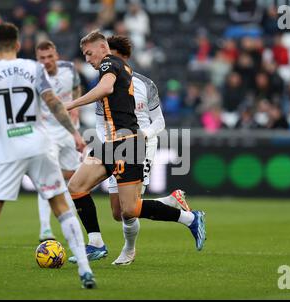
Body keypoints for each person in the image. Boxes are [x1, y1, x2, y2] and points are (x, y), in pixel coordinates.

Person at [0, 23, 96, 289]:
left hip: (8, 150)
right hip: (39, 144)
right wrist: (75, 133)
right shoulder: (34, 69)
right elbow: (54, 104)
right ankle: (85, 270)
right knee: (60, 206)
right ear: (17, 44)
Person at [64, 30, 206, 265]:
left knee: (128, 210)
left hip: (127, 144)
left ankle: (189, 219)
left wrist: (69, 104)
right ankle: (96, 243)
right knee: (77, 186)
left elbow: (107, 88)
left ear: (103, 48)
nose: (87, 59)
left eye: (89, 53)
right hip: (110, 144)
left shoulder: (109, 64)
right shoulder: (117, 70)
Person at [35, 40, 82, 242]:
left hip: (71, 132)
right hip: (48, 133)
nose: (46, 61)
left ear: (57, 55)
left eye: (49, 56)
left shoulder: (69, 68)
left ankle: (72, 224)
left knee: (74, 179)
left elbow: (77, 88)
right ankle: (45, 229)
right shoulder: (35, 75)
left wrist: (76, 108)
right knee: (48, 178)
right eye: (42, 58)